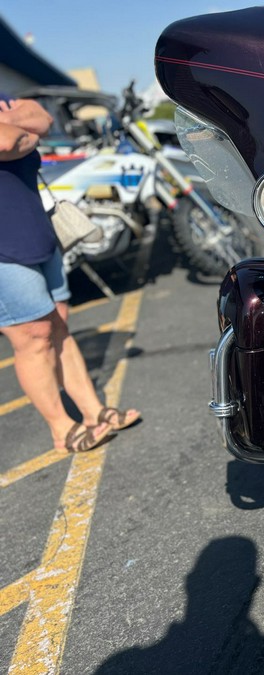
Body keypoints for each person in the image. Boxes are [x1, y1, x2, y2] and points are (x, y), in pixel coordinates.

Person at [0, 95, 141, 452]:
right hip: (3, 247)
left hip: (33, 227)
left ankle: (94, 412)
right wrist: (21, 128)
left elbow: (43, 121)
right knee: (32, 335)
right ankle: (61, 430)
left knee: (58, 325)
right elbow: (9, 141)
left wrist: (22, 127)